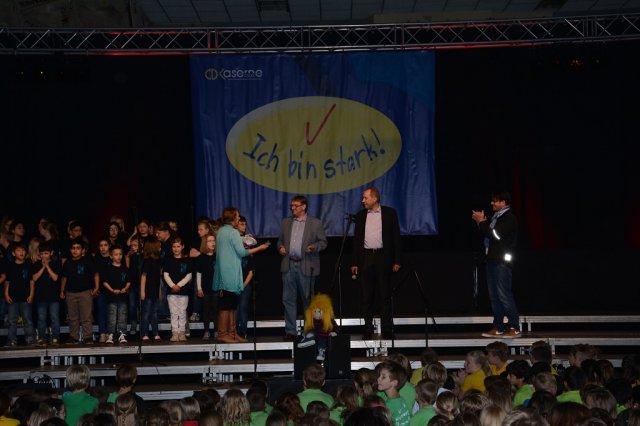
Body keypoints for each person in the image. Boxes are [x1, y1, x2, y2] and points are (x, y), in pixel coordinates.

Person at [350, 187, 402, 340]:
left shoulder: (389, 213)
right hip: (366, 257)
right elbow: (357, 241)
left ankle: (386, 328)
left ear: (374, 199)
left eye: (365, 198)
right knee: (366, 296)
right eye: (363, 198)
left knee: (385, 295)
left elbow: (396, 237)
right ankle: (367, 328)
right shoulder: (361, 215)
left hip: (383, 257)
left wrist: (397, 260)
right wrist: (355, 262)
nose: (363, 201)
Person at [214, 207, 269, 343]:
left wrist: (243, 239)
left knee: (232, 303)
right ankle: (223, 333)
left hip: (225, 271)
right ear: (232, 217)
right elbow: (242, 252)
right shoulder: (232, 232)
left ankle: (232, 333)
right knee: (227, 304)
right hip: (230, 272)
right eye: (237, 216)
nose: (238, 218)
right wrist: (260, 248)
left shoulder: (221, 231)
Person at [277, 195, 327, 341]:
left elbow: (323, 242)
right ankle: (291, 331)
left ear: (304, 207)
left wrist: (314, 247)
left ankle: (309, 330)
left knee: (308, 300)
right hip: (288, 265)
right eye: (291, 206)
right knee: (288, 300)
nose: (292, 208)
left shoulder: (315, 223)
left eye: (296, 205)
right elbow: (279, 241)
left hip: (306, 265)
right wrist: (280, 247)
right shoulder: (286, 222)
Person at [472, 191, 520, 339]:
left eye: (495, 201)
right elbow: (490, 235)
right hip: (492, 259)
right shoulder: (496, 217)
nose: (492, 203)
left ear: (504, 203)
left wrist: (482, 222)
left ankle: (514, 327)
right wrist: (481, 223)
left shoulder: (509, 218)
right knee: (494, 297)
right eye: (492, 201)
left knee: (504, 294)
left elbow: (496, 236)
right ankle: (499, 327)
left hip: (501, 261)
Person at [60, 238, 99, 344]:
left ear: (83, 250)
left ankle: (88, 337)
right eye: (73, 248)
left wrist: (96, 287)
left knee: (86, 316)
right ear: (70, 250)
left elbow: (95, 274)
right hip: (70, 293)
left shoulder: (87, 261)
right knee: (72, 317)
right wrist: (62, 291)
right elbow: (64, 277)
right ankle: (74, 337)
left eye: (78, 248)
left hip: (85, 292)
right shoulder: (67, 262)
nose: (75, 250)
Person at [4, 242, 36, 347]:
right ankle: (12, 340)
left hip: (25, 297)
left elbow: (32, 281)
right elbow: (7, 282)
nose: (21, 252)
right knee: (12, 321)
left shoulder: (29, 265)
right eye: (18, 250)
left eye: (23, 250)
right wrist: (6, 294)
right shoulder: (10, 266)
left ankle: (30, 339)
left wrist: (31, 295)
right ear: (13, 253)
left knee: (27, 319)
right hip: (12, 298)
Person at [163, 237, 193, 342]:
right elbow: (165, 275)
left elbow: (189, 275)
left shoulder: (187, 261)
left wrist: (179, 285)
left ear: (182, 247)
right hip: (171, 292)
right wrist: (172, 286)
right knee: (173, 313)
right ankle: (175, 333)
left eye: (178, 246)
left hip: (183, 292)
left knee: (182, 312)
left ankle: (182, 332)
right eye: (174, 247)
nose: (176, 249)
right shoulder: (168, 260)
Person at [32, 241, 62, 345]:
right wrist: (43, 267)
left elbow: (55, 278)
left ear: (51, 253)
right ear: (39, 254)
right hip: (40, 297)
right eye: (42, 253)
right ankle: (42, 338)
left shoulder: (55, 264)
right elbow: (34, 278)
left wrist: (47, 266)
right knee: (41, 319)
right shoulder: (36, 264)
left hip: (54, 297)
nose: (44, 256)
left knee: (54, 318)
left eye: (46, 253)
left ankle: (55, 338)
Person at [102, 245, 131, 344]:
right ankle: (111, 334)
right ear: (111, 256)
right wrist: (112, 290)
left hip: (123, 297)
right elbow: (105, 282)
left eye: (120, 254)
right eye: (116, 254)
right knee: (112, 317)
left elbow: (128, 281)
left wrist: (125, 289)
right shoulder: (108, 268)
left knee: (122, 317)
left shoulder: (125, 268)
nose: (118, 256)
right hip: (112, 297)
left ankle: (122, 334)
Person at [237, 216, 256, 341]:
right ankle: (234, 331)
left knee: (243, 308)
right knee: (235, 309)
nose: (244, 227)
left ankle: (242, 331)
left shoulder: (249, 241)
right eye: (241, 224)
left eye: (245, 224)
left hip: (245, 283)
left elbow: (251, 271)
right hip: (233, 283)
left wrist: (244, 285)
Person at [140, 237, 162, 341]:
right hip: (147, 291)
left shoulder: (158, 261)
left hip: (155, 291)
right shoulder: (147, 261)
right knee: (146, 313)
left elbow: (159, 278)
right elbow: (143, 276)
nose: (160, 247)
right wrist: (142, 291)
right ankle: (144, 333)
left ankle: (155, 333)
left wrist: (160, 291)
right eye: (158, 245)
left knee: (154, 312)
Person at [195, 234, 217, 340]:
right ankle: (207, 331)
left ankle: (216, 331)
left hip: (216, 288)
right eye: (210, 241)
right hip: (205, 288)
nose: (212, 243)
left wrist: (222, 287)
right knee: (206, 310)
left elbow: (221, 273)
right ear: (205, 243)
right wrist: (199, 288)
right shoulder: (201, 258)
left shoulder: (218, 256)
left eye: (213, 240)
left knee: (216, 310)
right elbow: (199, 274)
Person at [376, 361, 410, 426]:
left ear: (394, 382)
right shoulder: (400, 399)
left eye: (383, 377)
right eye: (379, 376)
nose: (378, 379)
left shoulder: (389, 405)